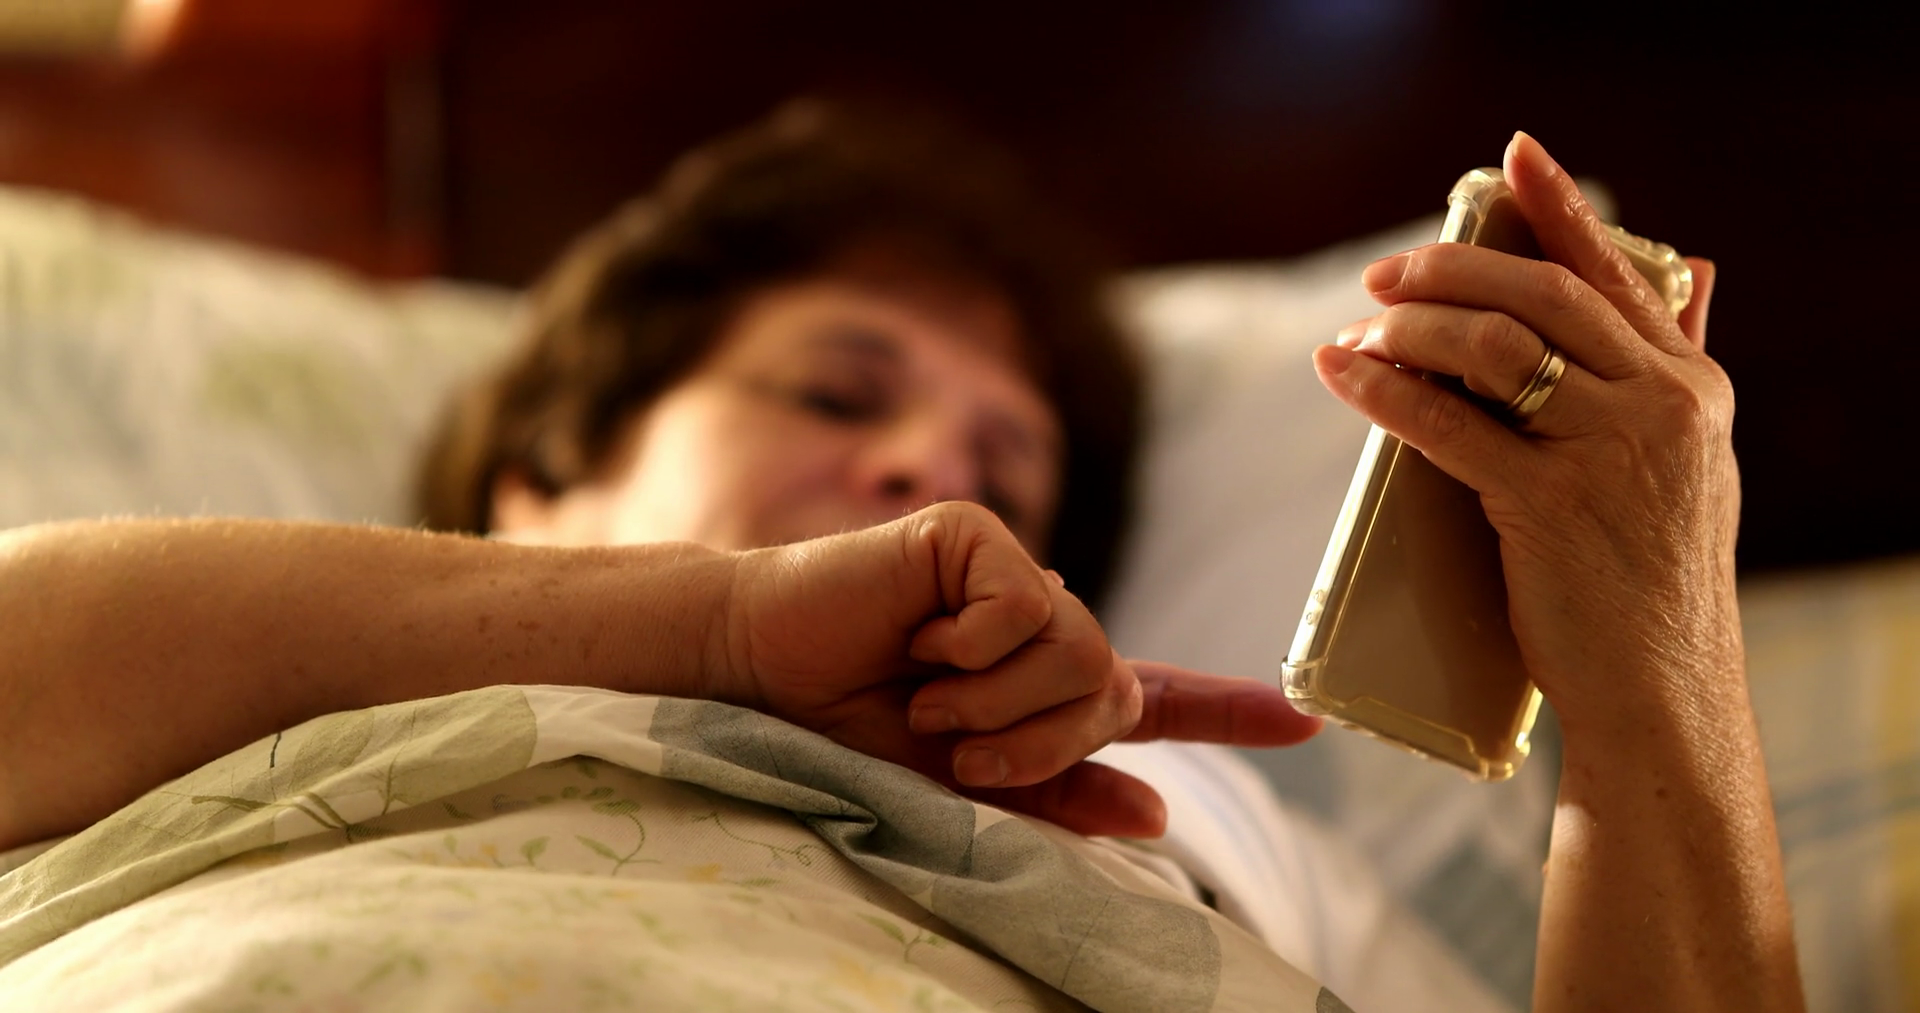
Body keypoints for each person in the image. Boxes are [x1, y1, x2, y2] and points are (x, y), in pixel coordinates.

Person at [0, 104, 1803, 1011]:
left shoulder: (1202, 812)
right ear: (542, 471)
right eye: (835, 390)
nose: (934, 466)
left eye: (1005, 473)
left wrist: (1659, 675)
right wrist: (715, 629)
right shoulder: (255, 643)